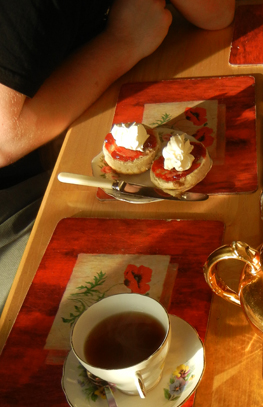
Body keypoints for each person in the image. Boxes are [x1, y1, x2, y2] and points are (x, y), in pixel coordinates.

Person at [0, 0, 235, 312]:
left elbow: (218, 14)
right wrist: (122, 42)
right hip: (17, 197)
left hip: (65, 143)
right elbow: (5, 137)